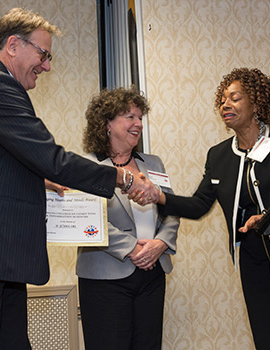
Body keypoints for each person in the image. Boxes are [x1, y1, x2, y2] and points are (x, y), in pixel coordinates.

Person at [0, 8, 159, 350]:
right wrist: (123, 178)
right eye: (43, 55)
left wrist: (35, 181)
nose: (46, 66)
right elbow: (50, 158)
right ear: (14, 45)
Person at [149, 68, 270, 349]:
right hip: (252, 256)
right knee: (266, 334)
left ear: (256, 104)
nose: (225, 105)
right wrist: (160, 197)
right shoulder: (219, 155)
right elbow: (199, 205)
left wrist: (269, 216)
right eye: (223, 100)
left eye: (235, 98)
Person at [76, 87, 180, 350]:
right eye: (129, 116)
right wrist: (132, 248)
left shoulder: (153, 164)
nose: (138, 123)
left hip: (152, 273)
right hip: (103, 278)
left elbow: (171, 209)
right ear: (107, 124)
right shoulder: (85, 166)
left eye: (139, 117)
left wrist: (160, 244)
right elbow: (86, 219)